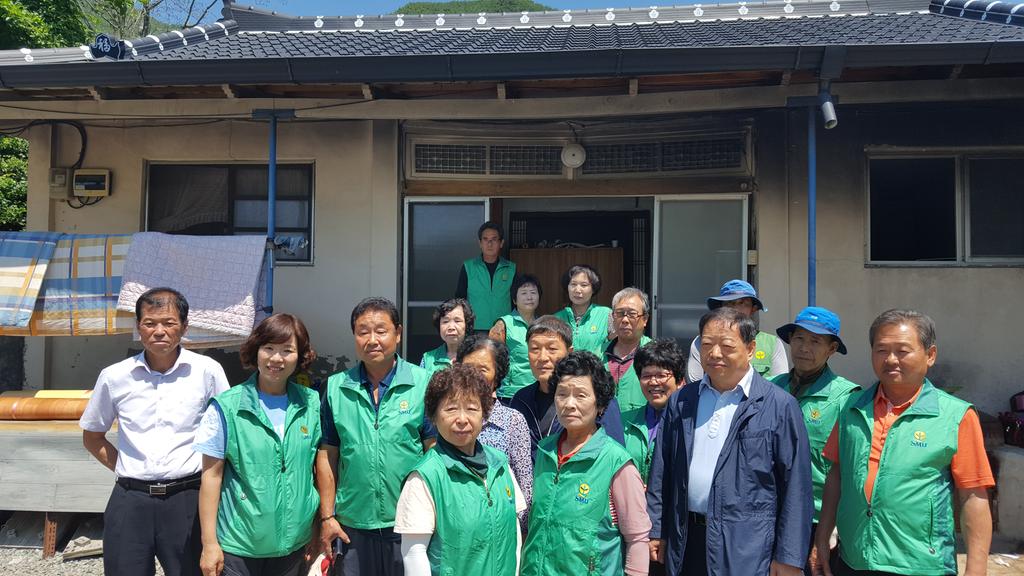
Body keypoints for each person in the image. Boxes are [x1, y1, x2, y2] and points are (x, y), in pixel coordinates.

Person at [812, 310, 995, 576]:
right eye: (881, 350)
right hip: (854, 559)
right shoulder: (851, 407)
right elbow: (837, 475)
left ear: (930, 355)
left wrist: (976, 569)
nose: (891, 359)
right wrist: (822, 536)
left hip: (921, 564)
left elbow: (973, 496)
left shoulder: (955, 416)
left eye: (903, 351)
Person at [647, 306, 812, 576]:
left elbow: (797, 487)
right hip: (686, 540)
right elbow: (661, 470)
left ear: (750, 349)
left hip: (747, 546)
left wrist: (789, 557)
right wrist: (657, 529)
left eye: (726, 345)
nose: (714, 354)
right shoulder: (683, 400)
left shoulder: (779, 406)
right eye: (707, 344)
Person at [80, 287, 230, 576]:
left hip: (188, 500)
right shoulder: (114, 377)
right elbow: (92, 435)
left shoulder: (207, 372)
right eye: (150, 323)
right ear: (139, 327)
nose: (159, 331)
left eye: (169, 323)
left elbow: (228, 433)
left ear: (184, 327)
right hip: (130, 501)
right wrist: (127, 467)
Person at [194, 313, 322, 576]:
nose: (277, 358)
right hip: (240, 546)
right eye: (269, 348)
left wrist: (316, 529)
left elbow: (316, 471)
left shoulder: (311, 403)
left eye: (287, 350)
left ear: (300, 356)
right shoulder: (227, 406)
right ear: (256, 351)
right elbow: (211, 476)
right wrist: (209, 544)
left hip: (294, 545)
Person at [316, 297, 436, 576]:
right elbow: (327, 454)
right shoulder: (336, 387)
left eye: (381, 331)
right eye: (362, 332)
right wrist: (327, 516)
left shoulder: (423, 383)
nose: (372, 340)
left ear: (398, 333)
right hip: (352, 525)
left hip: (409, 524)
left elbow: (433, 452)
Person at [520, 351, 651, 576]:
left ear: (600, 404)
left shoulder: (615, 461)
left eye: (580, 395)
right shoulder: (545, 451)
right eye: (562, 394)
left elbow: (637, 537)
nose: (569, 404)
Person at [395, 365, 527, 576]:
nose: (462, 419)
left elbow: (514, 531)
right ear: (434, 416)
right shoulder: (425, 477)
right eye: (451, 409)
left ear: (484, 413)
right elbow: (414, 552)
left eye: (472, 408)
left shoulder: (500, 464)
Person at [771, 306, 860, 573]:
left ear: (832, 349)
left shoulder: (847, 398)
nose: (804, 348)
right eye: (799, 338)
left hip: (816, 519)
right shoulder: (771, 389)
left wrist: (828, 530)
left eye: (815, 341)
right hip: (770, 513)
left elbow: (846, 468)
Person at [509, 315, 625, 456]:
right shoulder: (520, 400)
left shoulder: (597, 398)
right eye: (535, 349)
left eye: (552, 349)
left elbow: (615, 455)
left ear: (569, 352)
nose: (542, 357)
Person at [456, 334, 534, 525]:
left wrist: (521, 533)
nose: (474, 376)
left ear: (497, 375)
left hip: (502, 525)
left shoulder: (512, 421)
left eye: (483, 370)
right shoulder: (450, 417)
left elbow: (525, 485)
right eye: (468, 369)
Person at [685, 279, 788, 383]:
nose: (735, 309)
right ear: (721, 308)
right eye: (730, 303)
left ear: (753, 309)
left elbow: (779, 384)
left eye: (743, 303)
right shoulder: (703, 341)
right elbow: (694, 383)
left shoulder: (772, 344)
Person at [621, 339, 685, 484]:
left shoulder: (689, 424)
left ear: (680, 381)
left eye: (661, 375)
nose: (654, 382)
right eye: (646, 376)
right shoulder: (623, 422)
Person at [489, 274, 542, 401]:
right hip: (510, 393)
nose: (529, 297)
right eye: (524, 293)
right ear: (514, 300)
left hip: (538, 391)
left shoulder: (543, 325)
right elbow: (491, 359)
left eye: (533, 293)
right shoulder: (503, 324)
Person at [455, 221, 516, 332]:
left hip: (503, 329)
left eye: (494, 239)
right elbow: (460, 299)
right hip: (475, 328)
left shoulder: (511, 268)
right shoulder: (468, 267)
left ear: (501, 243)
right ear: (480, 243)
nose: (489, 244)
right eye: (485, 239)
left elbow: (516, 301)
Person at [605, 287, 653, 412]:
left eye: (632, 314)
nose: (625, 320)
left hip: (643, 429)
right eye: (620, 313)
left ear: (645, 319)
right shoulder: (598, 355)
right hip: (602, 430)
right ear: (613, 317)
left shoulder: (656, 354)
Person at [553, 264, 612, 356]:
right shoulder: (556, 318)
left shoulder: (606, 314)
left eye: (584, 285)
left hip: (597, 369)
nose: (577, 290)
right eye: (573, 284)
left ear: (593, 289)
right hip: (566, 370)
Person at [419, 298, 474, 376]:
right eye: (445, 321)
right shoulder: (428, 358)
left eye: (457, 321)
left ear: (467, 324)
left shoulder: (476, 356)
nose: (451, 327)